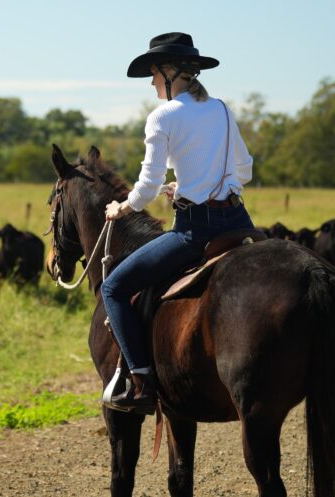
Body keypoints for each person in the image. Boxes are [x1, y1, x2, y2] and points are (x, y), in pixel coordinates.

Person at [100, 33, 254, 413]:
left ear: (170, 73)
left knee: (114, 288)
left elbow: (147, 187)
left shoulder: (163, 116)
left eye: (153, 74)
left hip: (194, 231)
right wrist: (191, 187)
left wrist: (123, 207)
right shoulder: (220, 109)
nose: (152, 82)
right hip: (238, 221)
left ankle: (140, 381)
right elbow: (244, 170)